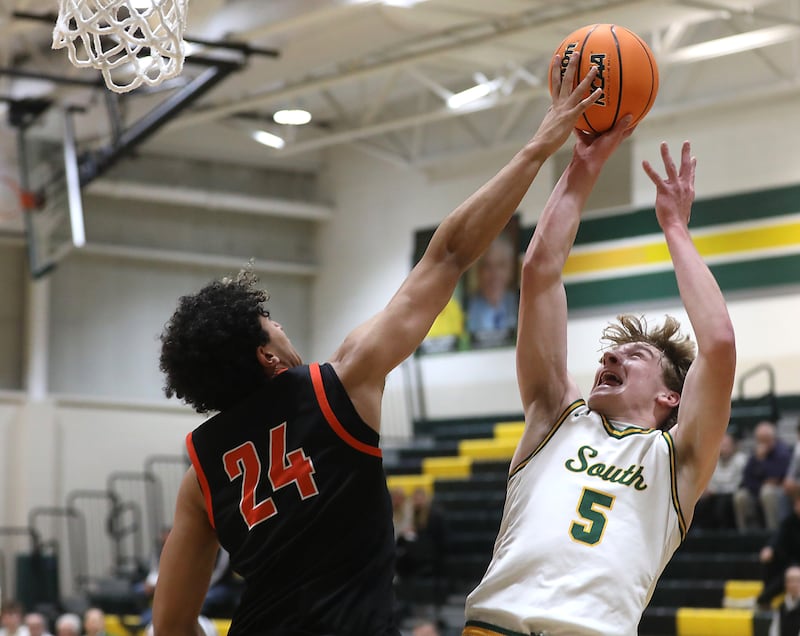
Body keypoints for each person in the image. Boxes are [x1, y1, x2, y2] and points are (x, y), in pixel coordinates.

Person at [151, 52, 604, 636]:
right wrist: (539, 146)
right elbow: (448, 254)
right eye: (272, 324)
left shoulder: (202, 476)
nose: (282, 328)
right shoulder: (341, 383)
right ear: (267, 357)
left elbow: (170, 626)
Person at [463, 132, 737, 636]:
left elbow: (717, 343)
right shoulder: (554, 416)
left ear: (669, 397)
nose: (610, 356)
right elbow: (540, 269)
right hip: (494, 626)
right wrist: (583, 168)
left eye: (636, 356)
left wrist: (674, 226)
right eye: (612, 352)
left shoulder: (678, 461)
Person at [734, 421, 793, 530]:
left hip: (780, 492)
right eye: (760, 440)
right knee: (741, 496)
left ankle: (773, 531)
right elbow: (746, 478)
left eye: (766, 440)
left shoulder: (782, 452)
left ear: (773, 438)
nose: (763, 444)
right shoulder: (755, 454)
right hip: (757, 489)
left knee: (767, 492)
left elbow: (776, 477)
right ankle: (746, 533)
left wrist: (762, 461)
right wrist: (758, 460)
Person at [466, 232, 519, 348]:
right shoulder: (467, 309)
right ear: (479, 271)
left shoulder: (521, 305)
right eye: (487, 266)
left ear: (511, 269)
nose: (494, 274)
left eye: (501, 265)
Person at [693, 432, 747, 529]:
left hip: (731, 494)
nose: (723, 449)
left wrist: (717, 490)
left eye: (726, 445)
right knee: (700, 501)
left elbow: (739, 483)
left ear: (733, 446)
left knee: (722, 505)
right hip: (714, 495)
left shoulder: (740, 460)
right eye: (721, 445)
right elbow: (709, 481)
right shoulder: (713, 460)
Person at [757, 492, 800, 610]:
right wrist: (769, 548)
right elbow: (777, 538)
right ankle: (765, 599)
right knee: (769, 559)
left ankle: (764, 598)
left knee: (792, 572)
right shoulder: (789, 521)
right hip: (790, 562)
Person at [769, 565, 800, 636]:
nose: (794, 584)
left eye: (797, 580)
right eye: (791, 581)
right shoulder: (781, 607)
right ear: (786, 584)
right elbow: (774, 632)